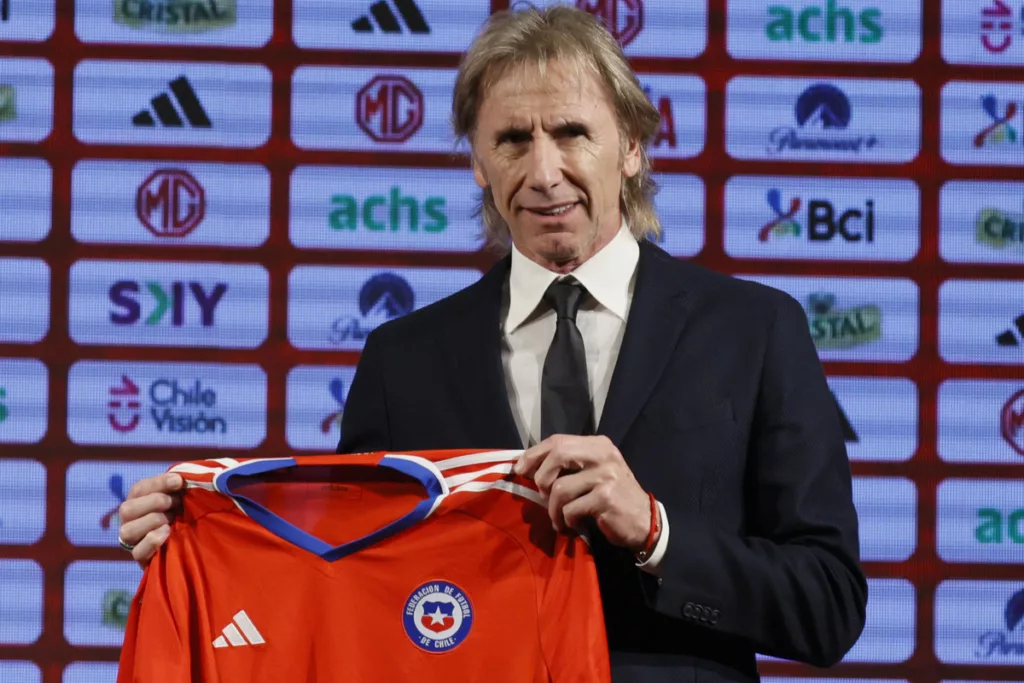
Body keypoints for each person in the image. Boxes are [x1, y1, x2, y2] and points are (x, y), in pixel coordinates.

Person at [117, 5, 867, 681]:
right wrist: (202, 547)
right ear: (478, 161)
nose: (544, 173)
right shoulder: (402, 360)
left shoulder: (754, 331)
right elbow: (345, 588)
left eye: (572, 132)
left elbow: (829, 605)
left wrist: (655, 530)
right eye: (512, 140)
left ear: (632, 145)